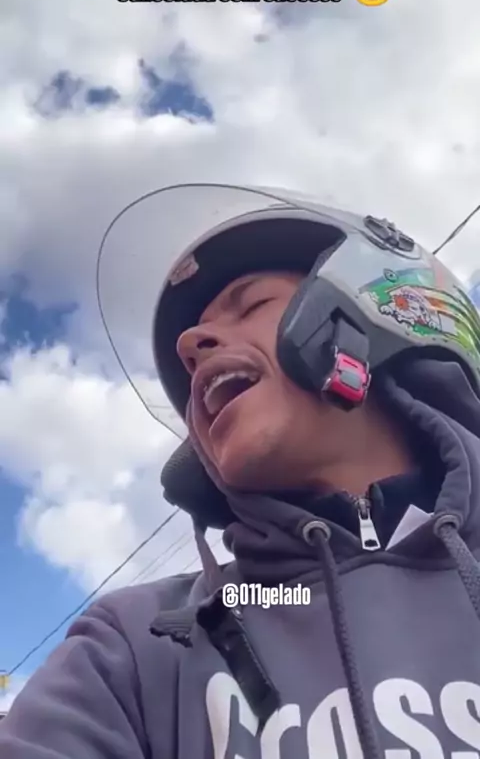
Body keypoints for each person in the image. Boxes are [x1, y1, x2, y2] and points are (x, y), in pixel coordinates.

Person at [3, 182, 480, 758]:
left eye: (251, 305)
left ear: (378, 317)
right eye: (189, 360)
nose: (192, 344)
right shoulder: (136, 643)